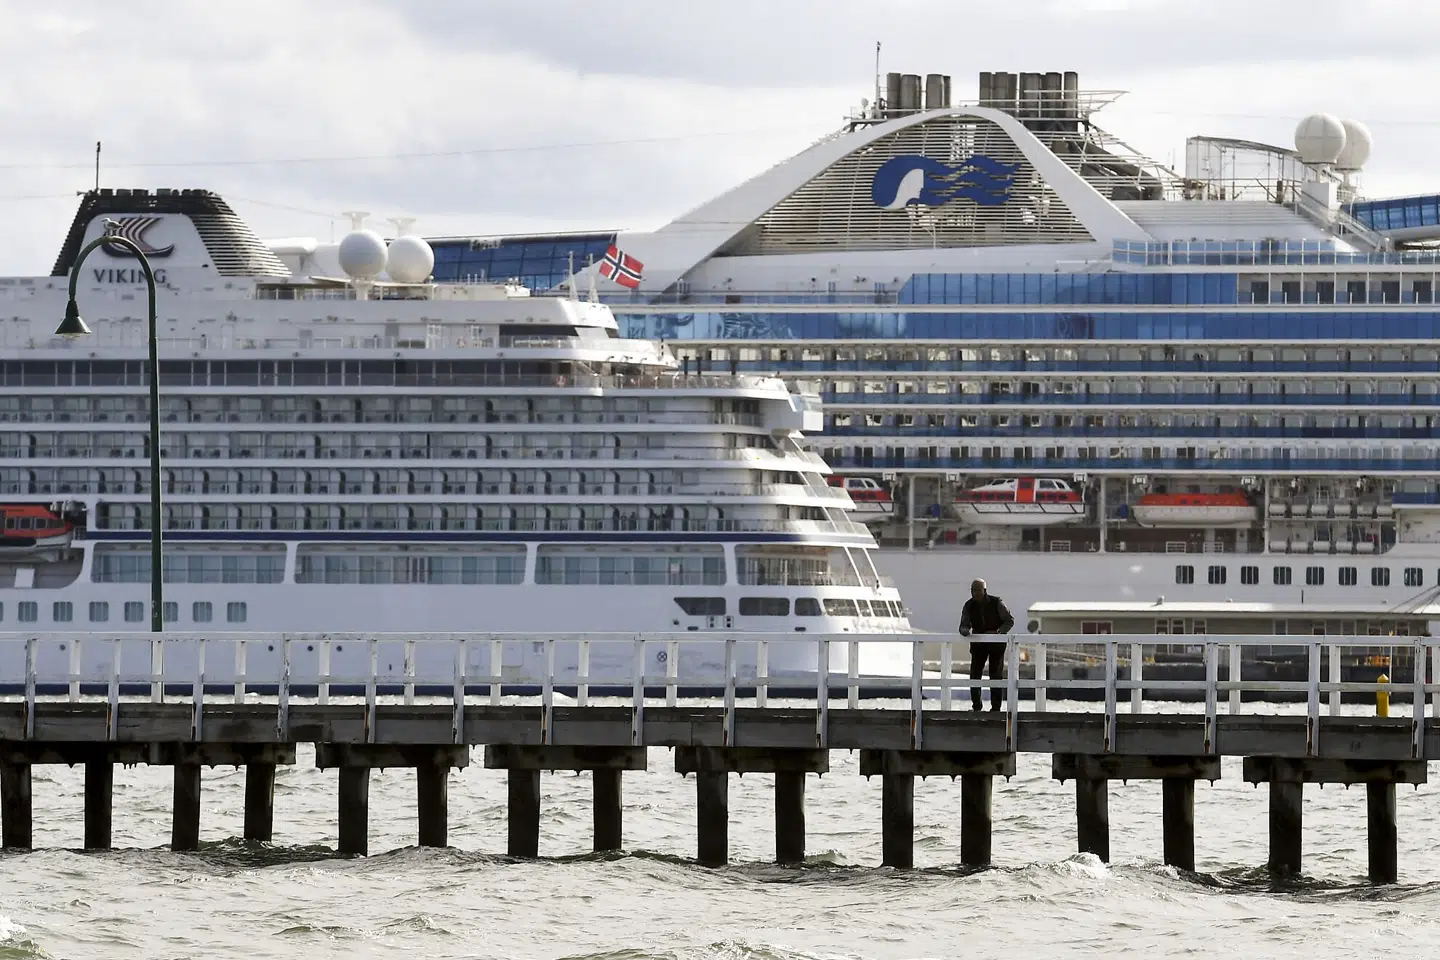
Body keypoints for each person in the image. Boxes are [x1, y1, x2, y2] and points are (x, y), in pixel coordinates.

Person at [958, 578, 1014, 712]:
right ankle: (976, 707)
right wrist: (965, 631)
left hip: (996, 645)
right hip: (978, 644)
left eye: (978, 590)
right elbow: (963, 624)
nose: (975, 593)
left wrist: (999, 631)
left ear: (984, 590)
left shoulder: (997, 603)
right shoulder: (969, 605)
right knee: (975, 675)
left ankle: (996, 709)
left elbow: (1009, 621)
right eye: (973, 590)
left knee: (995, 676)